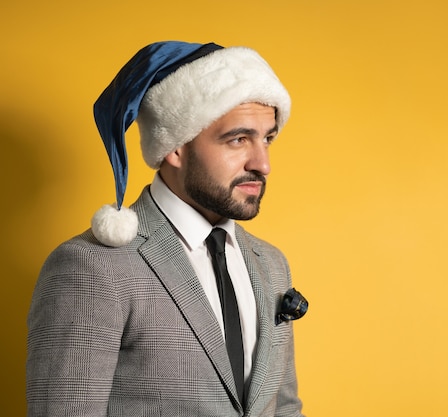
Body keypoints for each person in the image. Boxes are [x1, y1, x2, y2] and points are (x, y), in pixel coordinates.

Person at [26, 41, 307, 417]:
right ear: (175, 146)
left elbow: (284, 408)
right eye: (238, 139)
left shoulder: (271, 265)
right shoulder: (91, 268)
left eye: (267, 138)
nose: (263, 163)